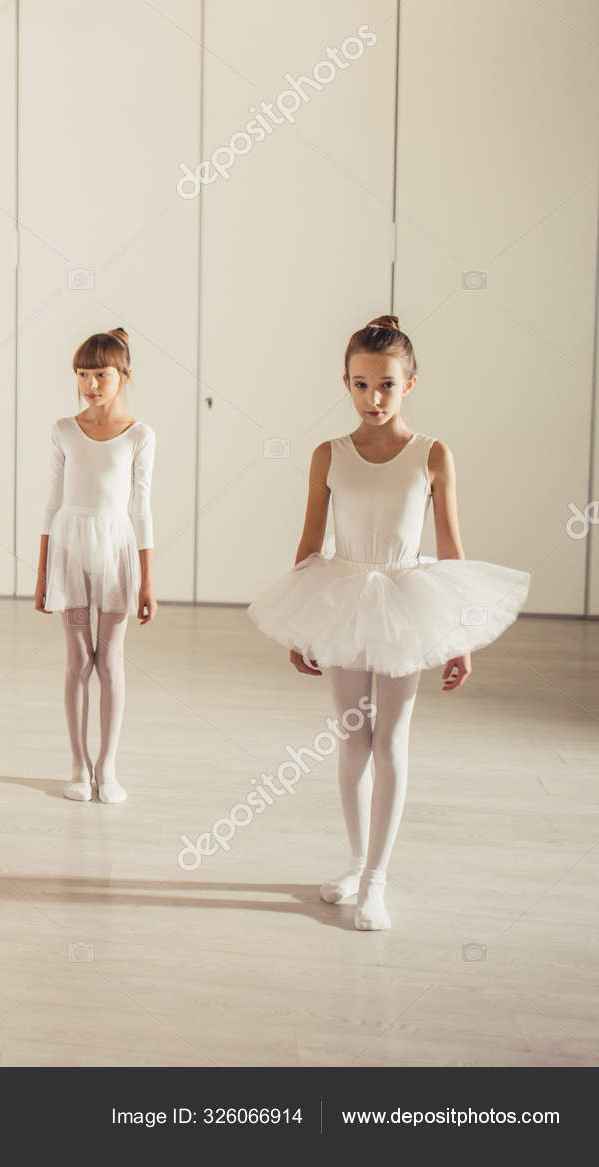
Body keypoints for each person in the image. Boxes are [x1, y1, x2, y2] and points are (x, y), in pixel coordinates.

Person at [248, 315, 531, 930]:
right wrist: (300, 627)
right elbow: (309, 540)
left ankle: (378, 879)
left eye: (386, 385)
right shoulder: (329, 454)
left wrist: (461, 634)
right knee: (351, 738)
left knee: (390, 741)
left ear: (410, 383)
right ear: (345, 384)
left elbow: (452, 548)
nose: (372, 398)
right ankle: (355, 862)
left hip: (407, 601)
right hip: (343, 595)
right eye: (359, 385)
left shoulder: (433, 454)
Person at [34, 328, 157, 804]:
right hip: (69, 545)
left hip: (116, 549)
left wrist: (148, 580)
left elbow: (142, 509)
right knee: (77, 660)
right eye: (83, 374)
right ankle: (77, 765)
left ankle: (108, 766)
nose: (91, 384)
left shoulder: (141, 436)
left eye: (101, 374)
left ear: (123, 376)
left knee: (110, 661)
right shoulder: (63, 430)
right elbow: (50, 503)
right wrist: (42, 572)